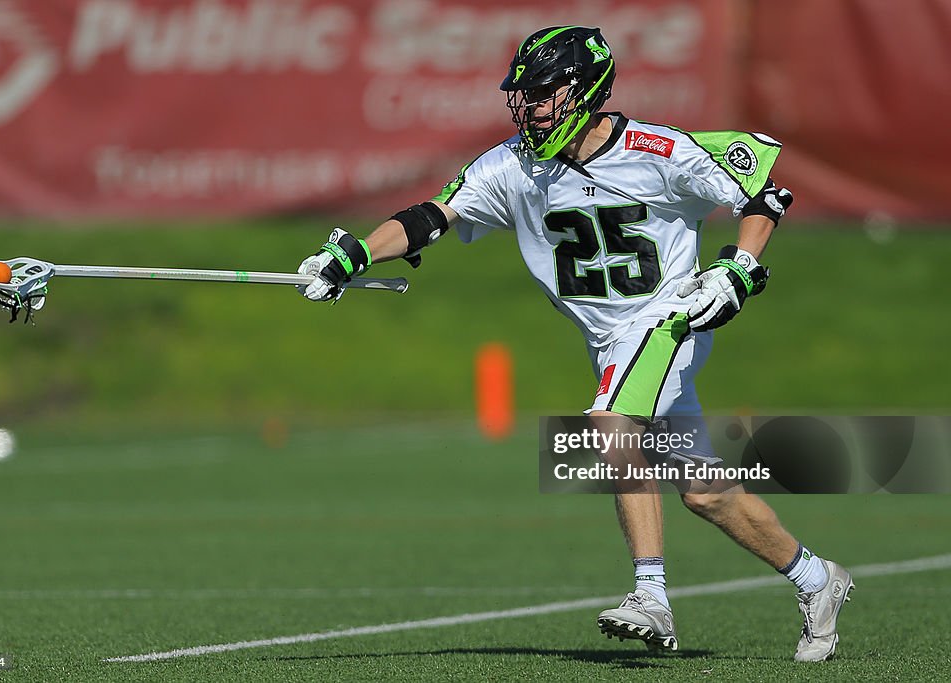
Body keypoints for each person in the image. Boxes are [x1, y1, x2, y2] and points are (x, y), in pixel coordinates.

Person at [296, 26, 853, 662]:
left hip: (672, 317)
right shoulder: (513, 165)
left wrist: (737, 269)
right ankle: (818, 579)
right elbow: (432, 218)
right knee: (704, 492)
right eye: (522, 95)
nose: (528, 107)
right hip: (608, 339)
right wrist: (355, 254)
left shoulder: (657, 151)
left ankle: (651, 596)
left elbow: (763, 195)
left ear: (583, 92)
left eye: (541, 94)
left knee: (610, 424)